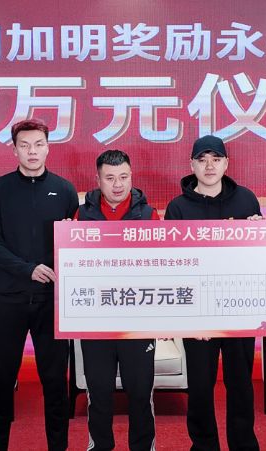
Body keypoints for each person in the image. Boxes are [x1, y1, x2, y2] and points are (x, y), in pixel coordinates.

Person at [0, 119, 79, 451]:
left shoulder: (64, 190)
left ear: (48, 147)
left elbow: (73, 241)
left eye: (38, 144)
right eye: (25, 145)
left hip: (50, 301)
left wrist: (49, 268)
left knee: (55, 382)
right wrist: (27, 270)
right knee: (1, 379)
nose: (32, 151)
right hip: (7, 299)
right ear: (14, 149)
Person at [164, 135, 261, 451]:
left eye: (216, 159)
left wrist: (260, 233)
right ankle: (204, 445)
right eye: (202, 160)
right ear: (191, 164)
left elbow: (258, 257)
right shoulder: (178, 207)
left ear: (226, 163)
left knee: (241, 385)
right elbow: (171, 263)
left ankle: (243, 445)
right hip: (198, 315)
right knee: (200, 388)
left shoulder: (246, 199)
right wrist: (187, 317)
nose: (209, 166)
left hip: (239, 309)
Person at [75, 149, 160, 451]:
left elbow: (162, 267)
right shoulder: (81, 215)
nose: (118, 184)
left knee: (140, 393)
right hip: (95, 321)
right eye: (110, 178)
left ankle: (143, 446)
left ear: (131, 177)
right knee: (99, 393)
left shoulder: (148, 215)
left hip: (138, 321)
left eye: (124, 177)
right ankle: (99, 446)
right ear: (97, 179)